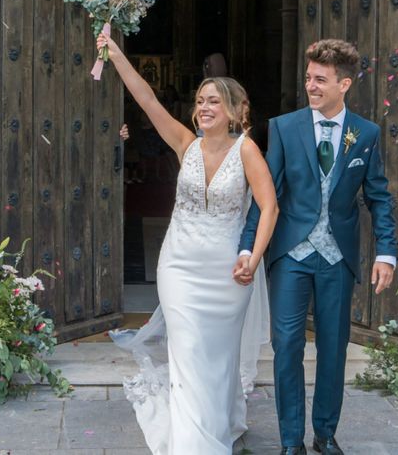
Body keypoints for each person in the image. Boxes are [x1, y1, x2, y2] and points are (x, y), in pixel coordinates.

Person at [97, 32, 278, 454]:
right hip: (179, 267)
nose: (204, 108)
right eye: (200, 101)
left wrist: (252, 259)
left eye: (214, 101)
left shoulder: (247, 151)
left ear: (235, 109)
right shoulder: (185, 144)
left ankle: (218, 422)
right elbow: (146, 100)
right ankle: (195, 445)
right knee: (189, 351)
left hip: (228, 274)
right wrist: (115, 51)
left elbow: (269, 208)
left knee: (217, 359)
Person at [236, 39, 398, 455]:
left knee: (333, 346)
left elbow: (378, 197)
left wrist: (386, 252)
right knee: (286, 345)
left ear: (344, 83)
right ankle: (291, 441)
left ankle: (325, 434)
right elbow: (265, 196)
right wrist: (246, 249)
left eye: (320, 80)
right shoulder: (284, 128)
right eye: (309, 78)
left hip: (337, 257)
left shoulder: (366, 133)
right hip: (290, 253)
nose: (311, 86)